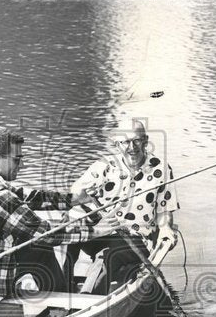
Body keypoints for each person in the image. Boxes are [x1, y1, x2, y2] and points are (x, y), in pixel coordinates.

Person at [0, 128, 115, 308]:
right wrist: (97, 230)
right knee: (42, 245)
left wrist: (73, 199)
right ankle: (63, 307)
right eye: (16, 160)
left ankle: (60, 292)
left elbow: (25, 196)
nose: (21, 166)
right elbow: (48, 234)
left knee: (32, 241)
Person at [67, 120, 179, 292]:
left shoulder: (161, 169)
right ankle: (60, 288)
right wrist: (82, 195)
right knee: (68, 230)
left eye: (137, 140)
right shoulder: (105, 166)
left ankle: (87, 301)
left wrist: (165, 229)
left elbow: (164, 211)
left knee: (107, 256)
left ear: (146, 141)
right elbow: (75, 192)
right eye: (125, 142)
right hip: (101, 231)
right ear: (117, 145)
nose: (132, 147)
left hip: (136, 238)